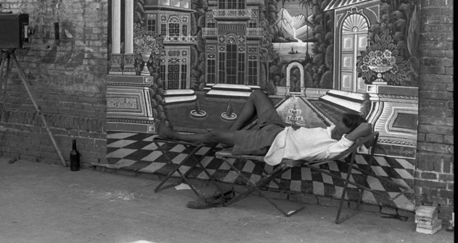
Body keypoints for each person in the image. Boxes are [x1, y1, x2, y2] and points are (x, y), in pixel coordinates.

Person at [158, 89, 373, 165]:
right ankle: (232, 131)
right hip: (278, 129)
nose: (335, 128)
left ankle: (175, 136)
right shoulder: (332, 133)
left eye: (340, 129)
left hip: (271, 143)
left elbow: (366, 128)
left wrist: (354, 135)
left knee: (213, 134)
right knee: (257, 94)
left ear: (348, 134)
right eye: (337, 124)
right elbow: (355, 131)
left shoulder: (336, 147)